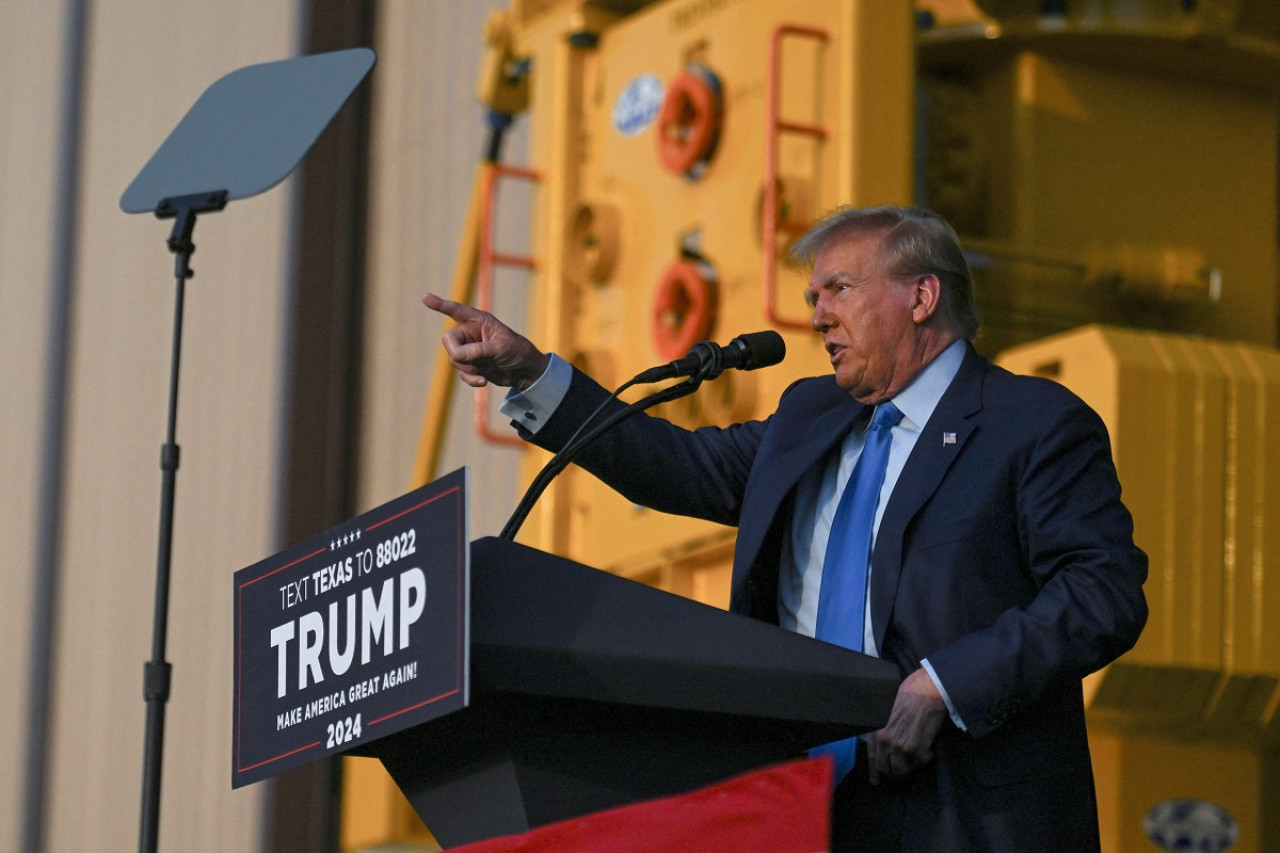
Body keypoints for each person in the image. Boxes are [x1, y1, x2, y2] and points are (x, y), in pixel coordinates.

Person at [423, 205, 1148, 852]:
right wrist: (531, 372)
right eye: (812, 297)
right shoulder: (811, 418)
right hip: (802, 811)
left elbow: (1102, 591)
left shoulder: (1032, 422)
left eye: (840, 288)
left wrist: (942, 685)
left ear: (922, 295)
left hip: (961, 808)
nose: (818, 316)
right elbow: (670, 462)